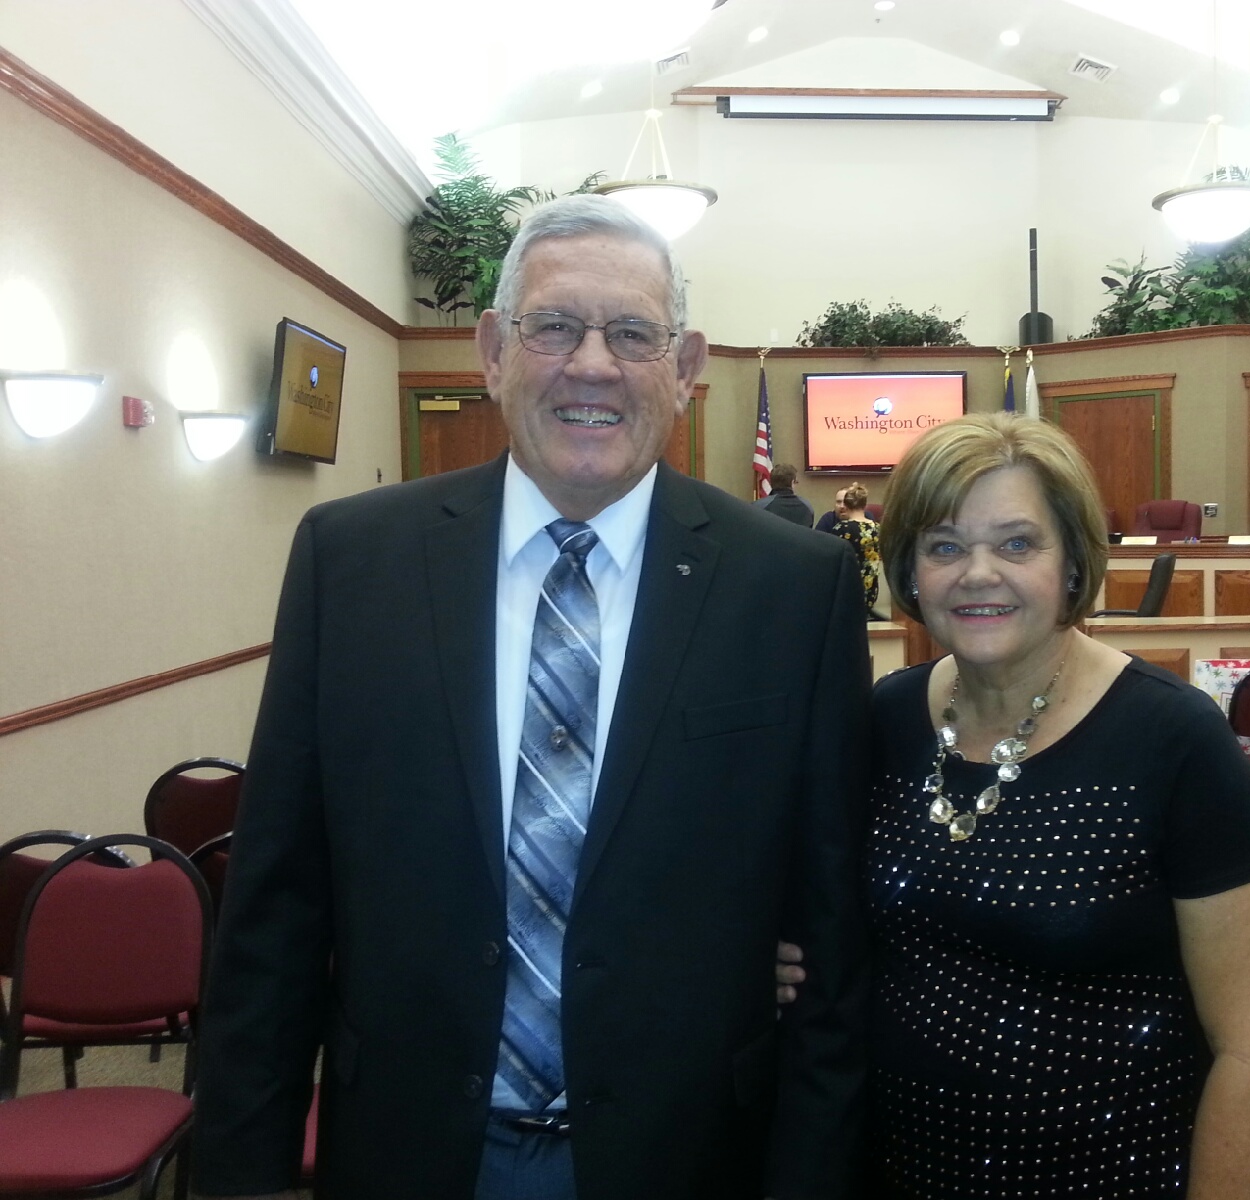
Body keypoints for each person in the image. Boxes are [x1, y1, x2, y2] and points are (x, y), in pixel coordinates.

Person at [193, 195, 871, 1200]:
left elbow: (830, 942)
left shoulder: (792, 589)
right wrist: (239, 1174)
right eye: (553, 326)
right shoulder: (352, 564)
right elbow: (278, 903)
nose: (591, 364)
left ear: (684, 369)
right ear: (492, 351)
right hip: (413, 1149)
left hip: (688, 1154)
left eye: (631, 334)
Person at [781, 413, 1250, 1198]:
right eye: (945, 545)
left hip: (1109, 1176)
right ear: (911, 572)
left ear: (1071, 565)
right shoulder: (882, 719)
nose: (978, 573)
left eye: (1017, 544)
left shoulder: (1173, 739)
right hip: (891, 1170)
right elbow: (842, 919)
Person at [829, 482, 881, 613]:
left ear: (846, 505)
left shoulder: (841, 529)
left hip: (848, 590)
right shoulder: (878, 528)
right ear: (865, 505)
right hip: (872, 591)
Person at [753, 462, 814, 527]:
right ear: (792, 482)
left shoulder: (758, 507)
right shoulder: (807, 507)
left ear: (770, 482)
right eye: (796, 482)